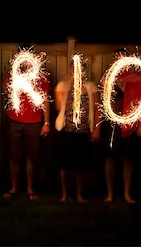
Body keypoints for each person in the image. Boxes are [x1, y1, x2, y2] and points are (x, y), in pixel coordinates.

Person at [2, 46, 50, 201]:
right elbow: (4, 89)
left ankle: (30, 189)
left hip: (34, 122)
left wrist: (47, 122)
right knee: (14, 156)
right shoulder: (13, 73)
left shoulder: (41, 77)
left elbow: (45, 100)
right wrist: (13, 73)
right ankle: (14, 187)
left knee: (32, 157)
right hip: (15, 120)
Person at [101, 48, 141, 204]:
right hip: (112, 124)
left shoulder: (137, 79)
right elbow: (103, 94)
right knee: (110, 158)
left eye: (124, 59)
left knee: (128, 159)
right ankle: (109, 194)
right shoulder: (109, 78)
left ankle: (127, 193)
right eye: (118, 59)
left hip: (130, 123)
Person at [54, 59, 101, 203]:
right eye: (74, 68)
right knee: (65, 164)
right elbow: (58, 107)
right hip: (66, 130)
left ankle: (80, 194)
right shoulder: (63, 86)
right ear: (70, 70)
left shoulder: (91, 87)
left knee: (80, 165)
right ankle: (64, 193)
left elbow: (98, 110)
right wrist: (71, 87)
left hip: (83, 131)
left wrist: (96, 130)